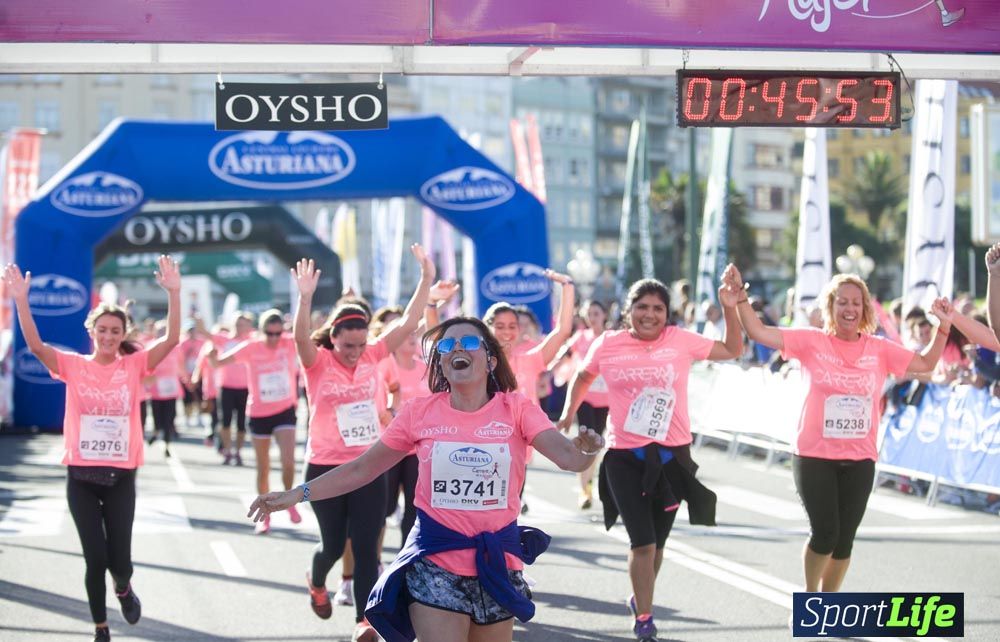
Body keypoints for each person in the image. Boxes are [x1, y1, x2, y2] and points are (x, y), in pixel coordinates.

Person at [249, 315, 604, 642]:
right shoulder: (419, 413)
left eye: (469, 343)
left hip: (496, 563)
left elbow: (568, 458)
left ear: (491, 360)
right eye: (447, 346)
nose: (457, 350)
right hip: (436, 563)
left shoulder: (516, 408)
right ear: (441, 364)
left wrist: (587, 450)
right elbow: (362, 468)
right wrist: (299, 493)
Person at [725, 266, 951, 595]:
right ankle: (810, 595)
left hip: (860, 457)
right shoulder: (811, 341)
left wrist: (943, 328)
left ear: (864, 309)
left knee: (844, 541)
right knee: (825, 533)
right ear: (830, 306)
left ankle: (828, 604)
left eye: (856, 303)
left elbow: (926, 364)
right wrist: (741, 299)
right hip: (814, 455)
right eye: (842, 302)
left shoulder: (879, 348)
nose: (849, 309)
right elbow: (759, 332)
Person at [556, 274, 742, 642]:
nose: (650, 314)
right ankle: (644, 617)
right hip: (625, 457)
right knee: (641, 543)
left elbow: (733, 348)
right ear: (629, 311)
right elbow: (582, 376)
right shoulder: (608, 344)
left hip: (673, 458)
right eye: (642, 307)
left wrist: (730, 307)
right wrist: (567, 414)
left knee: (657, 544)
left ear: (666, 314)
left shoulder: (680, 341)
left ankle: (641, 595)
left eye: (658, 308)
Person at [4, 256, 180, 642]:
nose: (108, 336)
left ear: (122, 334)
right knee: (94, 558)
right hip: (81, 476)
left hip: (121, 476)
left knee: (120, 561)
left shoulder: (133, 366)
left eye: (115, 331)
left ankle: (124, 588)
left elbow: (171, 340)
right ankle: (101, 627)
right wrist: (20, 299)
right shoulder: (73, 365)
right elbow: (34, 345)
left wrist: (174, 292)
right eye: (102, 330)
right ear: (92, 331)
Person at [291, 247, 432, 642]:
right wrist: (305, 298)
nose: (354, 353)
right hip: (324, 467)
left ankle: (364, 621)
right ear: (333, 338)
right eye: (346, 346)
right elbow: (301, 336)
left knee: (367, 547)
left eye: (359, 345)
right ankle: (317, 581)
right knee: (333, 545)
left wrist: (425, 278)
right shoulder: (316, 362)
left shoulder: (373, 354)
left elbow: (409, 320)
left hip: (369, 466)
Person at [211, 309, 301, 534]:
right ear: (260, 332)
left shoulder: (289, 344)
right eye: (269, 333)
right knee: (263, 468)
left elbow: (309, 331)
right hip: (260, 413)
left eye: (278, 333)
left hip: (285, 410)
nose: (273, 338)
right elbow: (219, 363)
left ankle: (288, 500)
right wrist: (211, 355)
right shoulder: (251, 347)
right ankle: (265, 515)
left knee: (288, 462)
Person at [562, 300, 611, 509]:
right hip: (585, 399)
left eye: (596, 313)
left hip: (606, 400)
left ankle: (590, 480)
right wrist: (548, 369)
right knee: (588, 444)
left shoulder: (611, 339)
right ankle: (585, 491)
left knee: (598, 444)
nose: (592, 317)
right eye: (589, 313)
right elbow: (562, 354)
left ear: (604, 315)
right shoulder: (581, 337)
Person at [211, 313, 254, 466]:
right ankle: (228, 451)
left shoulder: (251, 341)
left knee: (242, 423)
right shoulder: (224, 338)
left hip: (245, 387)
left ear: (248, 326)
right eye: (236, 324)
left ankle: (238, 452)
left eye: (242, 324)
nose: (238, 327)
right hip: (226, 386)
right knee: (225, 421)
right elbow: (205, 334)